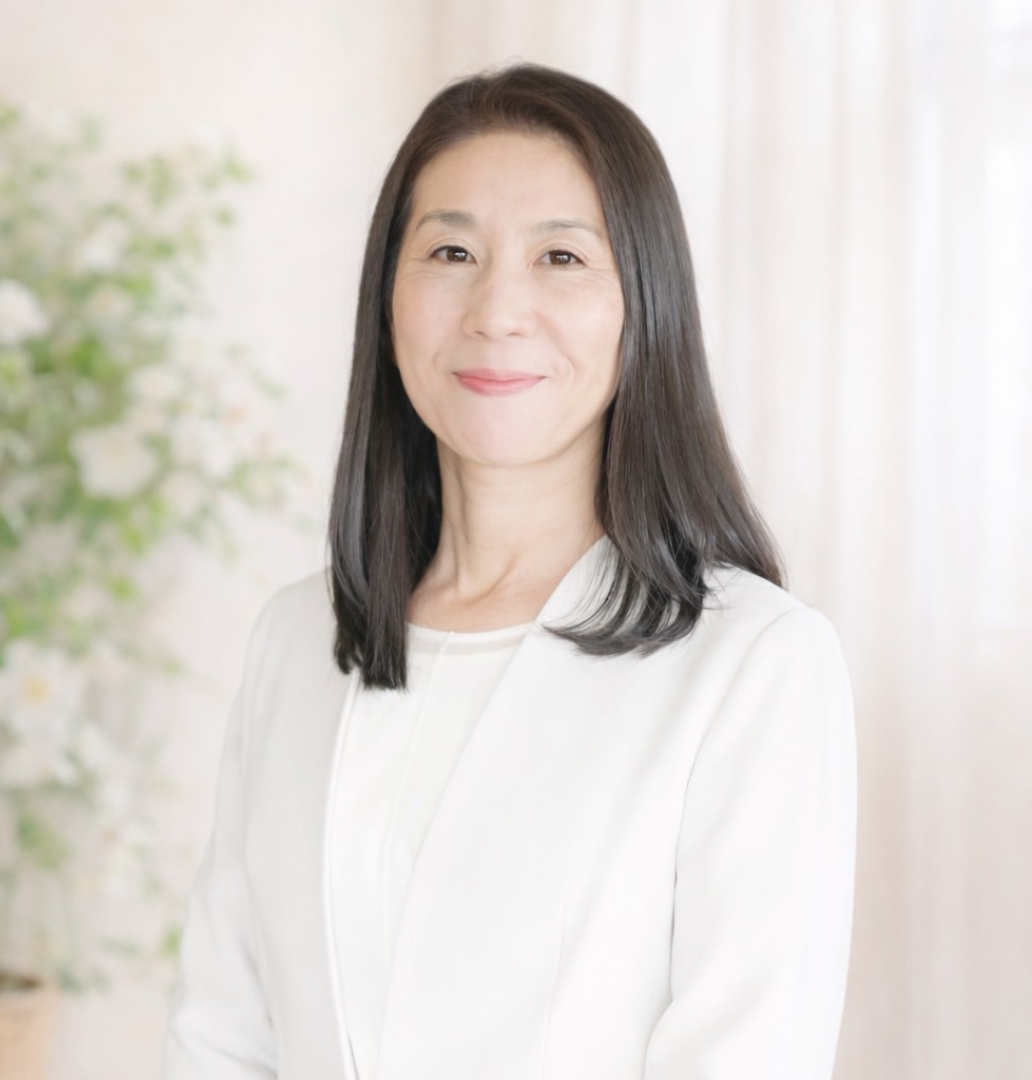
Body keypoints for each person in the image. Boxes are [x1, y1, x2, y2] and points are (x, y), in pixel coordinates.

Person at [163, 64, 857, 1080]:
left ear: (644, 306)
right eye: (451, 252)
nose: (497, 309)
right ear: (388, 299)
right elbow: (222, 1038)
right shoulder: (297, 639)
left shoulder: (756, 663)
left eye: (561, 257)